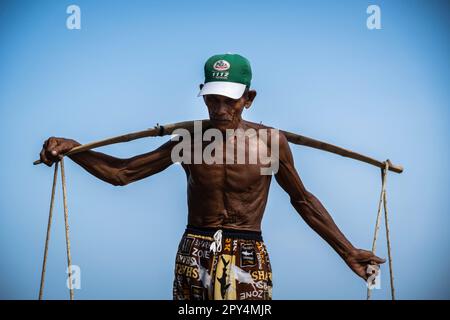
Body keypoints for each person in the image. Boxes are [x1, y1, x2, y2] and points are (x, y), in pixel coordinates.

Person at [39, 53, 385, 300]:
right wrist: (76, 149)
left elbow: (302, 200)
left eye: (229, 102)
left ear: (248, 99)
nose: (219, 110)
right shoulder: (189, 142)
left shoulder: (268, 143)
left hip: (248, 251)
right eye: (212, 101)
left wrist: (347, 251)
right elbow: (123, 173)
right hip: (195, 248)